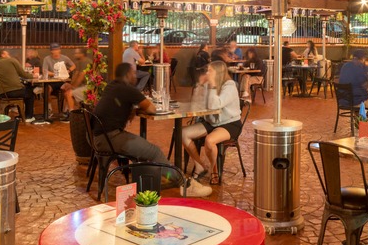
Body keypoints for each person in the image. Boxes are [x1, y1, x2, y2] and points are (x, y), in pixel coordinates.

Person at [94, 63, 212, 197]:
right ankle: (185, 184)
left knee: (145, 151)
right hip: (111, 138)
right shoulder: (128, 89)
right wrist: (138, 106)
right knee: (155, 152)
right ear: (127, 75)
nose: (135, 75)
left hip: (99, 137)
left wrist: (133, 108)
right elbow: (152, 109)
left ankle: (151, 179)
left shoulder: (111, 86)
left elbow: (121, 105)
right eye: (133, 73)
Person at [181, 61, 242, 186]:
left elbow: (215, 105)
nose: (207, 73)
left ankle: (214, 170)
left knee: (210, 140)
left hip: (230, 123)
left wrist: (212, 85)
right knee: (183, 133)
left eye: (210, 71)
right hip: (211, 122)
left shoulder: (229, 86)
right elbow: (196, 105)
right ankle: (199, 166)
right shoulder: (209, 85)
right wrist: (200, 85)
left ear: (218, 73)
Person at [0, 49, 36, 123]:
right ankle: (28, 116)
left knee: (26, 91)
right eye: (7, 54)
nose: (9, 55)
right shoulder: (11, 60)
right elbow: (23, 74)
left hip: (2, 93)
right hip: (15, 91)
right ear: (2, 54)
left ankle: (21, 115)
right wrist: (34, 76)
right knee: (30, 93)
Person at [338, 49, 368, 118]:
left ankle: (359, 120)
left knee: (361, 94)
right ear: (363, 58)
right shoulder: (364, 68)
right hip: (357, 100)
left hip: (343, 100)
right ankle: (362, 120)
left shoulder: (345, 66)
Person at [61, 48, 91, 118]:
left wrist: (73, 87)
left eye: (77, 53)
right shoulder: (79, 62)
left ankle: (72, 116)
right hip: (82, 85)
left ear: (82, 54)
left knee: (69, 94)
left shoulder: (86, 62)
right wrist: (70, 85)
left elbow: (81, 77)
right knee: (66, 89)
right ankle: (72, 111)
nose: (75, 55)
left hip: (89, 87)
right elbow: (75, 75)